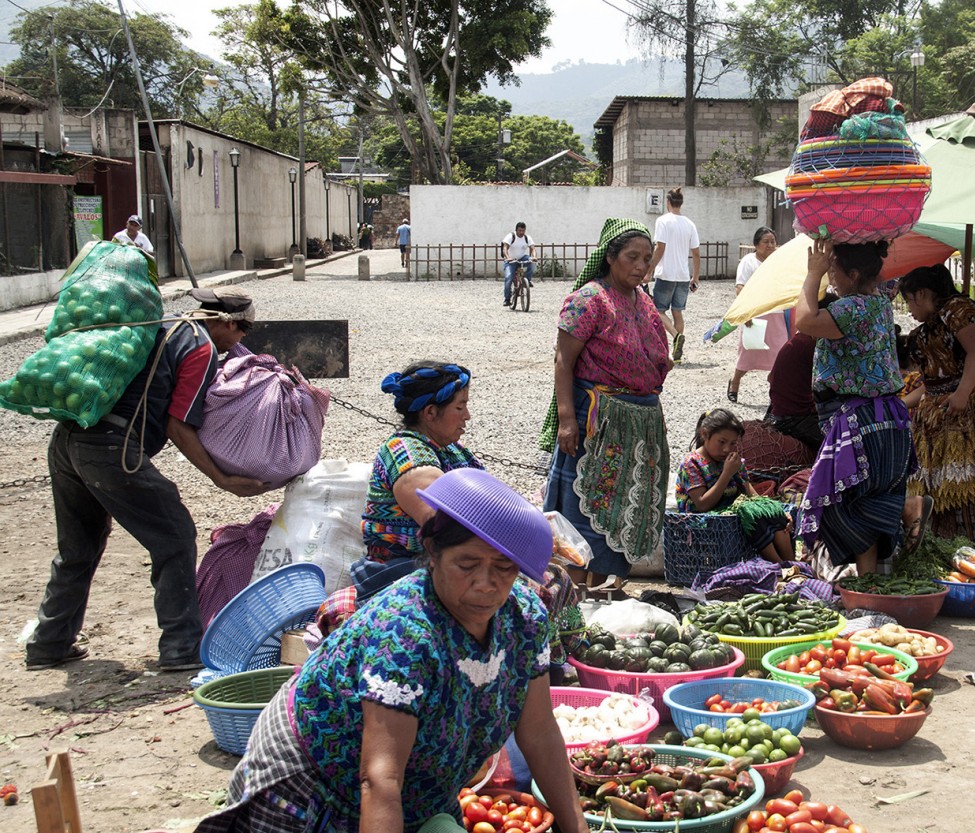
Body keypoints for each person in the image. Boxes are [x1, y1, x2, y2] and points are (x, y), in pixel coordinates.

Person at [195, 468, 591, 833]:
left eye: (503, 569)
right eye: (466, 564)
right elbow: (380, 777)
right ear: (432, 552)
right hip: (314, 775)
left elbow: (539, 733)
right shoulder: (403, 632)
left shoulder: (524, 618)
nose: (486, 584)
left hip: (415, 781)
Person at [26, 287, 268, 672]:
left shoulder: (162, 325)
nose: (238, 343)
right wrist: (222, 478)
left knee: (78, 547)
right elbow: (178, 425)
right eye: (243, 332)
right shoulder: (200, 347)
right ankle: (181, 647)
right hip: (111, 449)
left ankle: (48, 644)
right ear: (228, 323)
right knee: (174, 536)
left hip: (68, 440)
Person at [541, 218, 671, 600]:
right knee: (589, 505)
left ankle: (604, 590)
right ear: (610, 257)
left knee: (625, 506)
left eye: (647, 259)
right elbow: (564, 362)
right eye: (632, 257)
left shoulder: (644, 302)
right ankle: (574, 593)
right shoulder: (588, 300)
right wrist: (567, 419)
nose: (641, 266)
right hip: (598, 422)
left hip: (640, 424)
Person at [793, 237, 922, 576]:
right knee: (868, 498)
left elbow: (804, 320)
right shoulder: (879, 302)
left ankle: (905, 516)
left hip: (859, 417)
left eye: (833, 272)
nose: (830, 278)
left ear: (851, 274)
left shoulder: (852, 308)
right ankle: (870, 579)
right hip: (887, 417)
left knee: (847, 501)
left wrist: (812, 274)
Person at [897, 263, 975, 546]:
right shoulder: (924, 332)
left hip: (973, 408)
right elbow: (931, 383)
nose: (909, 309)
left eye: (909, 300)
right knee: (939, 486)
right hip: (940, 413)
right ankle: (948, 546)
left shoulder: (959, 311)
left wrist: (962, 394)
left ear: (923, 293)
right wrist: (902, 405)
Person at [356, 361, 482, 596]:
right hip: (398, 574)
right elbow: (443, 520)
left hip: (442, 563)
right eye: (460, 407)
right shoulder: (404, 452)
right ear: (431, 412)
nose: (468, 416)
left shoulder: (452, 449)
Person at [676, 408, 794, 563]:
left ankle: (791, 564)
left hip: (730, 517)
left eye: (733, 444)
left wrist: (776, 511)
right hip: (703, 522)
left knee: (769, 510)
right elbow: (703, 504)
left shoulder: (733, 461)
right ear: (705, 434)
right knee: (749, 511)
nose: (727, 449)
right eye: (722, 442)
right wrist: (726, 474)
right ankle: (778, 564)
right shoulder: (691, 463)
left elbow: (753, 496)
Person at [729, 226, 786, 402]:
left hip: (776, 312)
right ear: (756, 244)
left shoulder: (779, 261)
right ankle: (735, 382)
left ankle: (775, 394)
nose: (770, 245)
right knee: (748, 355)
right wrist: (746, 314)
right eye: (766, 242)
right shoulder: (748, 261)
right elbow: (740, 288)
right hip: (755, 315)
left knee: (780, 355)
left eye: (773, 242)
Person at [647, 187, 700, 362]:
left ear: (668, 202)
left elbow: (659, 248)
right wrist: (695, 277)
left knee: (658, 310)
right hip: (683, 276)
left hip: (666, 274)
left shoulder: (663, 221)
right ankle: (677, 353)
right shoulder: (690, 224)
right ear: (681, 203)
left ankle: (676, 337)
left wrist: (649, 271)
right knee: (678, 312)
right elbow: (696, 253)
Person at [765, 332, 823, 453]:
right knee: (839, 445)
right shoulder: (812, 345)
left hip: (780, 411)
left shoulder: (799, 340)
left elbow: (770, 377)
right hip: (795, 418)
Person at [501, 221, 536, 306]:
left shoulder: (527, 238)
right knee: (509, 277)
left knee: (532, 262)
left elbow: (532, 248)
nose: (521, 232)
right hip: (511, 261)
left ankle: (527, 280)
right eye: (520, 230)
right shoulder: (511, 236)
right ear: (516, 230)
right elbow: (505, 248)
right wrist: (508, 258)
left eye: (523, 231)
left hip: (522, 258)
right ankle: (507, 299)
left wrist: (534, 257)